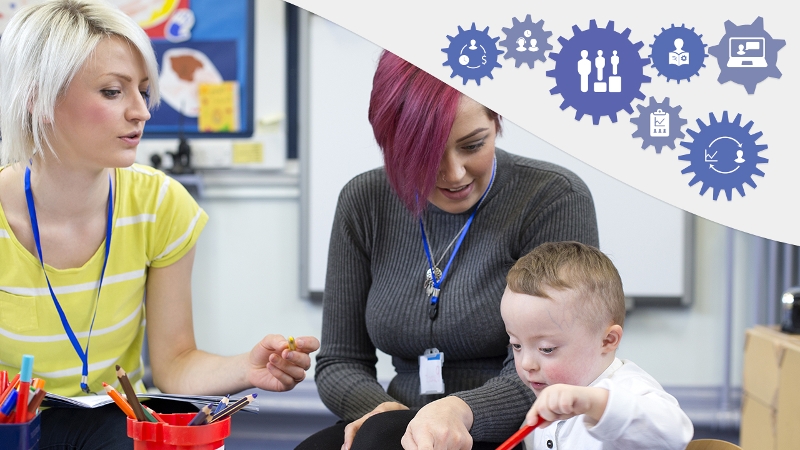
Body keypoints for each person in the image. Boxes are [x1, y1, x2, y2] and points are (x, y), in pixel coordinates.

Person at [0, 1, 319, 448]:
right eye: (113, 91)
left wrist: (246, 367)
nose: (142, 111)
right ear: (38, 99)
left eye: (143, 90)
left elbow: (174, 364)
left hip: (116, 424)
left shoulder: (161, 204)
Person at [296, 50, 599, 450]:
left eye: (473, 145)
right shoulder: (364, 201)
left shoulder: (553, 198)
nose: (454, 174)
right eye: (427, 156)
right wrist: (383, 412)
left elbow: (553, 371)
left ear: (496, 122)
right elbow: (340, 363)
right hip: (393, 423)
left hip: (514, 429)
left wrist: (458, 410)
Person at [501, 241, 693, 449]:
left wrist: (594, 403)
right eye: (516, 345)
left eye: (547, 349)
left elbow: (676, 433)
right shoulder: (543, 399)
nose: (527, 364)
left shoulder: (630, 388)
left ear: (607, 340)